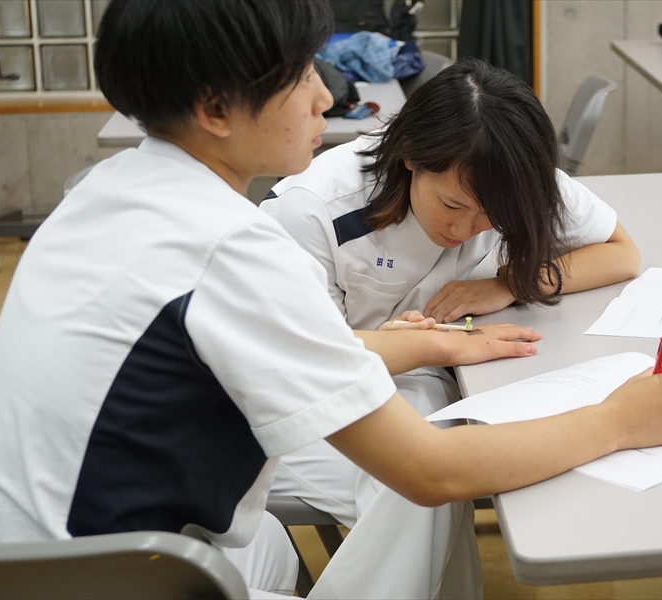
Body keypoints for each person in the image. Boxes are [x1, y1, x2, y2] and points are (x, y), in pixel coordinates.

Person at [0, 1, 662, 598]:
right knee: (419, 483)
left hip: (48, 553)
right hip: (105, 575)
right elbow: (431, 470)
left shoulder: (110, 189)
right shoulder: (237, 246)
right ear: (215, 109)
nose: (325, 97)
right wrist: (617, 421)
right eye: (300, 76)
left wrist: (442, 331)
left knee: (274, 544)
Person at [259, 58, 642, 530]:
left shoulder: (510, 175)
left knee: (439, 481)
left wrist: (509, 284)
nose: (464, 230)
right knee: (420, 493)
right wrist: (437, 345)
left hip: (417, 377)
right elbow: (305, 361)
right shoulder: (312, 212)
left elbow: (621, 254)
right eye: (451, 205)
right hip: (299, 398)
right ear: (410, 154)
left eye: (490, 217)